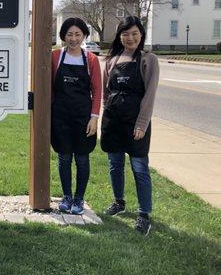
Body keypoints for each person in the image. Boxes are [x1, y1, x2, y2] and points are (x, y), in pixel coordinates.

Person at [101, 16, 159, 235]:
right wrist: (107, 115)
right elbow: (107, 94)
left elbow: (150, 95)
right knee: (115, 164)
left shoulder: (148, 59)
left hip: (136, 123)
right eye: (125, 34)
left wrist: (142, 124)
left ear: (141, 35)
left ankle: (144, 214)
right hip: (114, 121)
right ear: (119, 36)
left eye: (134, 33)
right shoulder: (112, 60)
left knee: (140, 168)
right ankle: (119, 202)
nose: (130, 38)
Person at [51, 17, 102, 215]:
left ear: (84, 36)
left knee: (82, 159)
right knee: (64, 158)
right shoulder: (55, 57)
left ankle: (79, 198)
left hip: (83, 118)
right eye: (69, 34)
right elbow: (48, 88)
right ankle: (66, 196)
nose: (73, 38)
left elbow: (97, 91)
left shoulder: (91, 60)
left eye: (78, 34)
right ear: (63, 36)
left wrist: (94, 117)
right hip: (60, 116)